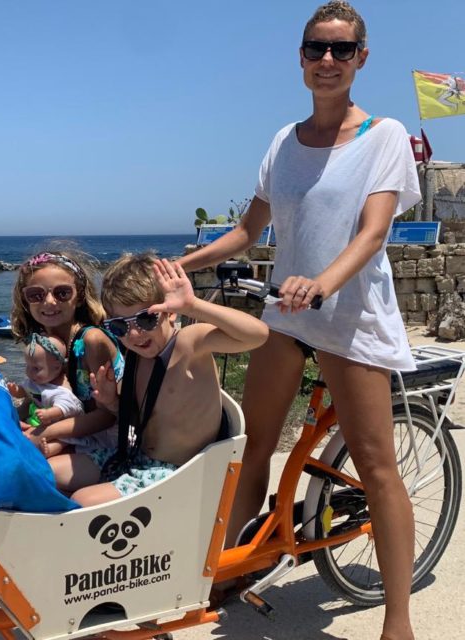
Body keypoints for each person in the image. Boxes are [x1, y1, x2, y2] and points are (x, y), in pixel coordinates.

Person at [177, 3, 421, 638]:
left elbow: (372, 234)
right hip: (285, 315)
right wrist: (180, 264)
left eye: (343, 49)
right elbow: (247, 230)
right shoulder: (284, 141)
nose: (328, 60)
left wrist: (323, 284)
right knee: (253, 445)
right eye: (316, 48)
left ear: (363, 57)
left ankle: (399, 618)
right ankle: (229, 568)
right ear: (302, 57)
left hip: (347, 315)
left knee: (375, 464)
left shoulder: (384, 136)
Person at [70, 255, 267, 506]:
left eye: (145, 318)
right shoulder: (137, 357)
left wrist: (193, 305)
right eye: (119, 326)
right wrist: (111, 402)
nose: (133, 333)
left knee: (80, 501)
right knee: (47, 471)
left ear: (170, 313)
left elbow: (258, 335)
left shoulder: (188, 343)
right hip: (135, 458)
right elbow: (143, 420)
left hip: (175, 474)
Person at [11, 249, 124, 492]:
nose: (49, 302)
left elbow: (108, 415)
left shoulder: (92, 341)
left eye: (62, 293)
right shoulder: (44, 343)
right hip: (73, 438)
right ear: (25, 300)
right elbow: (38, 396)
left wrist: (42, 432)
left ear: (80, 296)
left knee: (32, 474)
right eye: (36, 294)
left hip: (108, 445)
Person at [8, 333, 99, 458]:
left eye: (36, 368)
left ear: (56, 368)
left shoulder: (60, 391)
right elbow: (25, 391)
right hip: (44, 422)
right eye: (27, 366)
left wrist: (50, 413)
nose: (29, 372)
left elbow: (65, 407)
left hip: (67, 426)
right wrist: (16, 390)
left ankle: (48, 450)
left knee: (62, 441)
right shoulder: (35, 380)